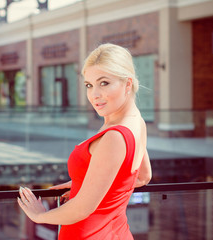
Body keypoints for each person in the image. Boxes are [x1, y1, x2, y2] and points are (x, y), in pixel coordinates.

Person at [18, 43, 152, 239]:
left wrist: (40, 216)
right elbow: (142, 177)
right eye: (89, 85)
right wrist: (88, 182)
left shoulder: (114, 136)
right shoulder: (137, 122)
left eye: (104, 83)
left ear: (128, 84)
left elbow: (82, 209)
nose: (94, 95)